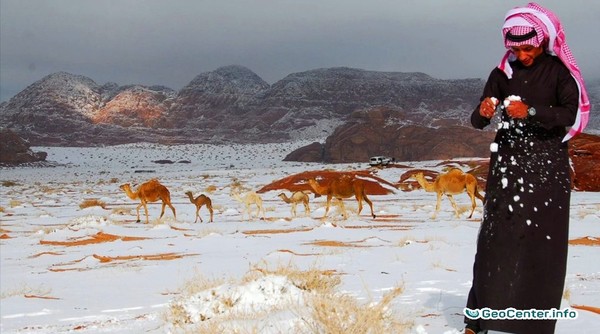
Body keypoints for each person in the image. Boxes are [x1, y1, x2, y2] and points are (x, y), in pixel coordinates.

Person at [464, 3, 591, 334]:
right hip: (507, 166)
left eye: (528, 47)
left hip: (547, 167)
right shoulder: (501, 74)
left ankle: (534, 326)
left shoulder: (559, 73)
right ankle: (477, 319)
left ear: (543, 40)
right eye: (516, 48)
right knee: (495, 241)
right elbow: (478, 121)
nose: (522, 54)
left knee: (541, 245)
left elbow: (569, 115)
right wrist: (484, 110)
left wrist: (531, 112)